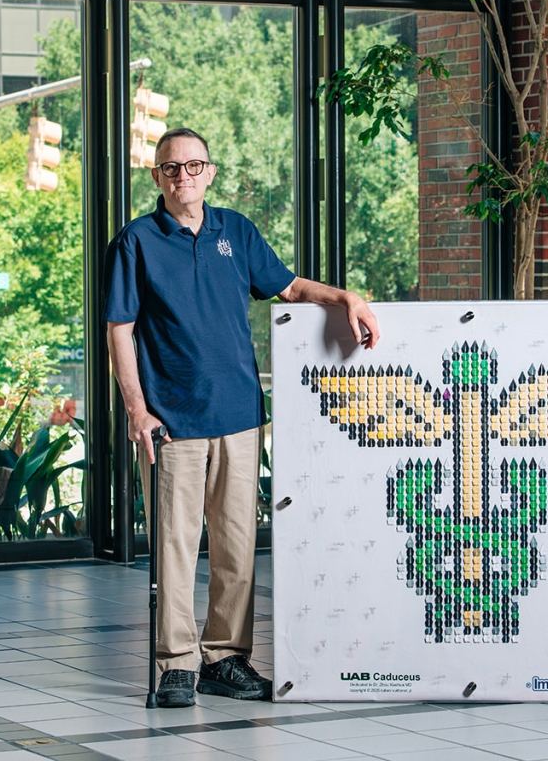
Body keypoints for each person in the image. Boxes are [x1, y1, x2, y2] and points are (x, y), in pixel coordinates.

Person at [105, 127, 379, 707]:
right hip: (172, 421)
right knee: (174, 546)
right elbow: (120, 329)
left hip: (239, 415)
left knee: (235, 544)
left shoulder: (236, 231)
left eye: (193, 165)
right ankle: (177, 663)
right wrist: (136, 408)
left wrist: (346, 298)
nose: (183, 176)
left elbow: (289, 288)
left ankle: (225, 658)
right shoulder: (136, 242)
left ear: (210, 172)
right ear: (157, 177)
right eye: (171, 168)